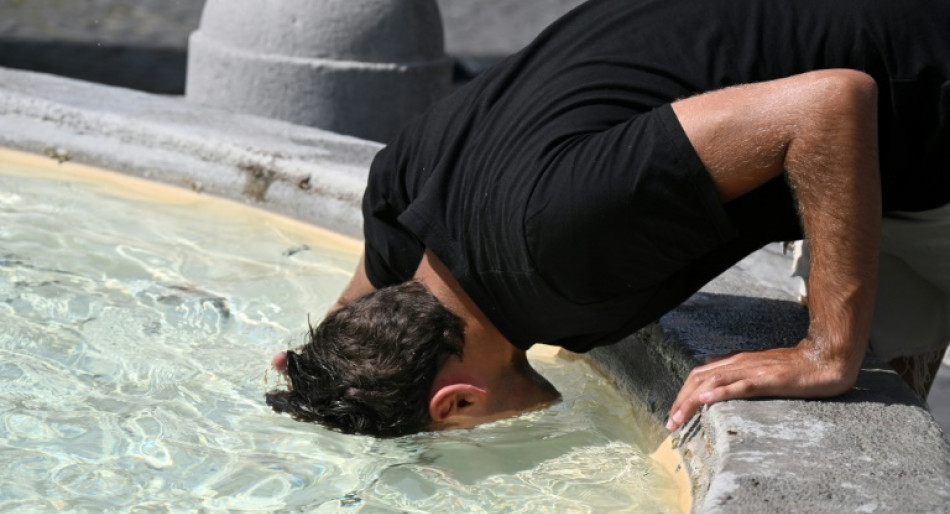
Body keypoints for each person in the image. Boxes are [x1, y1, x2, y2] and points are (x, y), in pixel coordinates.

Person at [266, 0, 950, 437]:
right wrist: (317, 370)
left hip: (914, 102)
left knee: (854, 373)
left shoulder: (556, 248)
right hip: (867, 128)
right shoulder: (403, 192)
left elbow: (828, 107)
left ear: (456, 403)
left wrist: (826, 352)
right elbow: (354, 317)